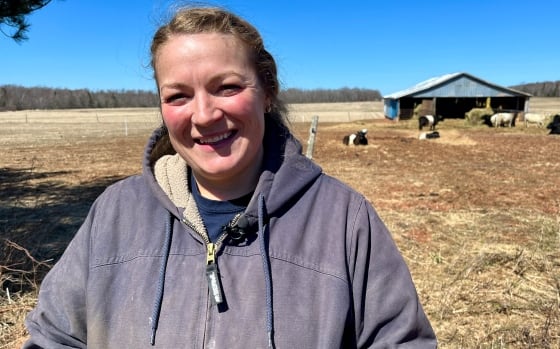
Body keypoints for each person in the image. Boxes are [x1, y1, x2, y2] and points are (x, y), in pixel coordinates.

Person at [23, 6, 436, 348]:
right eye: (178, 96)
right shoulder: (114, 213)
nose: (204, 115)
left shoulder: (345, 220)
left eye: (226, 87)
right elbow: (54, 337)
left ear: (267, 90)